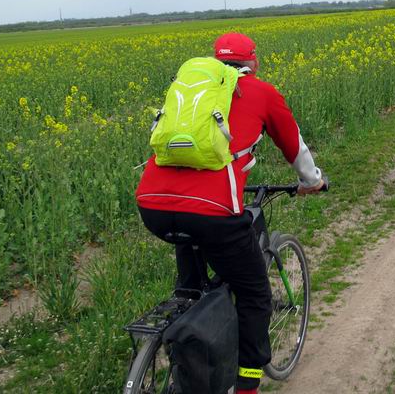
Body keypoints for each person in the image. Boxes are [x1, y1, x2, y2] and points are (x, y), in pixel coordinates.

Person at [135, 33, 325, 394]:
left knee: (192, 287)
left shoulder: (191, 91)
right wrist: (312, 181)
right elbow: (294, 146)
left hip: (153, 205)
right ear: (253, 62)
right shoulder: (260, 92)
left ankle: (188, 352)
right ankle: (247, 387)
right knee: (255, 295)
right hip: (214, 213)